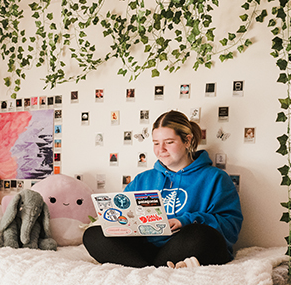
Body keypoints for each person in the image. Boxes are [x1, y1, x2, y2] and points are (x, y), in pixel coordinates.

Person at [83, 110, 242, 268]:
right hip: (146, 248)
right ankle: (152, 268)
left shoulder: (215, 178)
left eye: (169, 142)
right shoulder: (143, 179)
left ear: (187, 141)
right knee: (93, 235)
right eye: (156, 143)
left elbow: (230, 226)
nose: (161, 149)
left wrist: (185, 220)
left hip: (184, 244)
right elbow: (125, 217)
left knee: (201, 235)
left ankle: (154, 267)